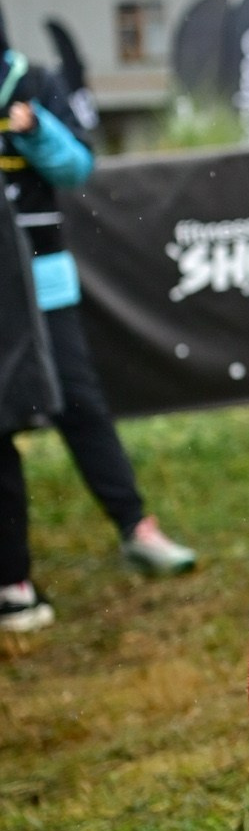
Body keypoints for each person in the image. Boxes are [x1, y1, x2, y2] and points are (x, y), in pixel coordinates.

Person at [1, 40, 197, 636]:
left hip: (42, 282)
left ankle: (137, 528)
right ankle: (14, 582)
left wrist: (32, 131)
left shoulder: (30, 81)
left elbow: (78, 166)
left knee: (81, 403)